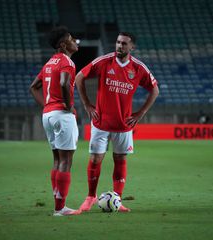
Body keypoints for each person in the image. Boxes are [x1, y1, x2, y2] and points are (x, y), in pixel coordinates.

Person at [76, 32, 159, 212]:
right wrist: (87, 104)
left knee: (120, 160)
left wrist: (140, 113)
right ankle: (90, 197)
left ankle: (117, 200)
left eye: (124, 43)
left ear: (132, 47)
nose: (119, 46)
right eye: (118, 42)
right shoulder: (104, 61)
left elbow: (155, 89)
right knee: (96, 159)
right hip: (101, 122)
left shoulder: (138, 68)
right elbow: (79, 77)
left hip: (124, 124)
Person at [29, 26, 80, 216]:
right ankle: (60, 208)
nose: (75, 41)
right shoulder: (67, 61)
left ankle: (58, 203)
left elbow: (33, 87)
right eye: (71, 38)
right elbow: (64, 83)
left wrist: (47, 105)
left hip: (48, 115)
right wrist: (67, 106)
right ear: (63, 44)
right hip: (62, 115)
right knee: (66, 161)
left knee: (57, 160)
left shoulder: (49, 63)